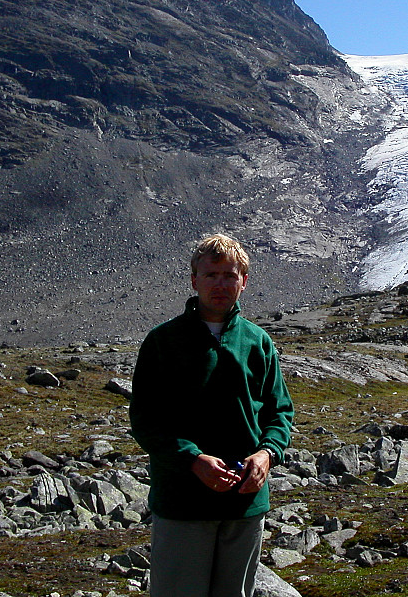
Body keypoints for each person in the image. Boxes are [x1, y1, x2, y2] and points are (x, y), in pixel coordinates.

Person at [130, 233, 294, 597]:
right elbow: (146, 419)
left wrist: (266, 455)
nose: (220, 284)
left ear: (244, 281)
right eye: (211, 275)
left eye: (230, 275)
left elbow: (279, 412)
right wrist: (192, 459)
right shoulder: (163, 342)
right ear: (194, 280)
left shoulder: (258, 342)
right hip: (182, 503)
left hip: (245, 504)